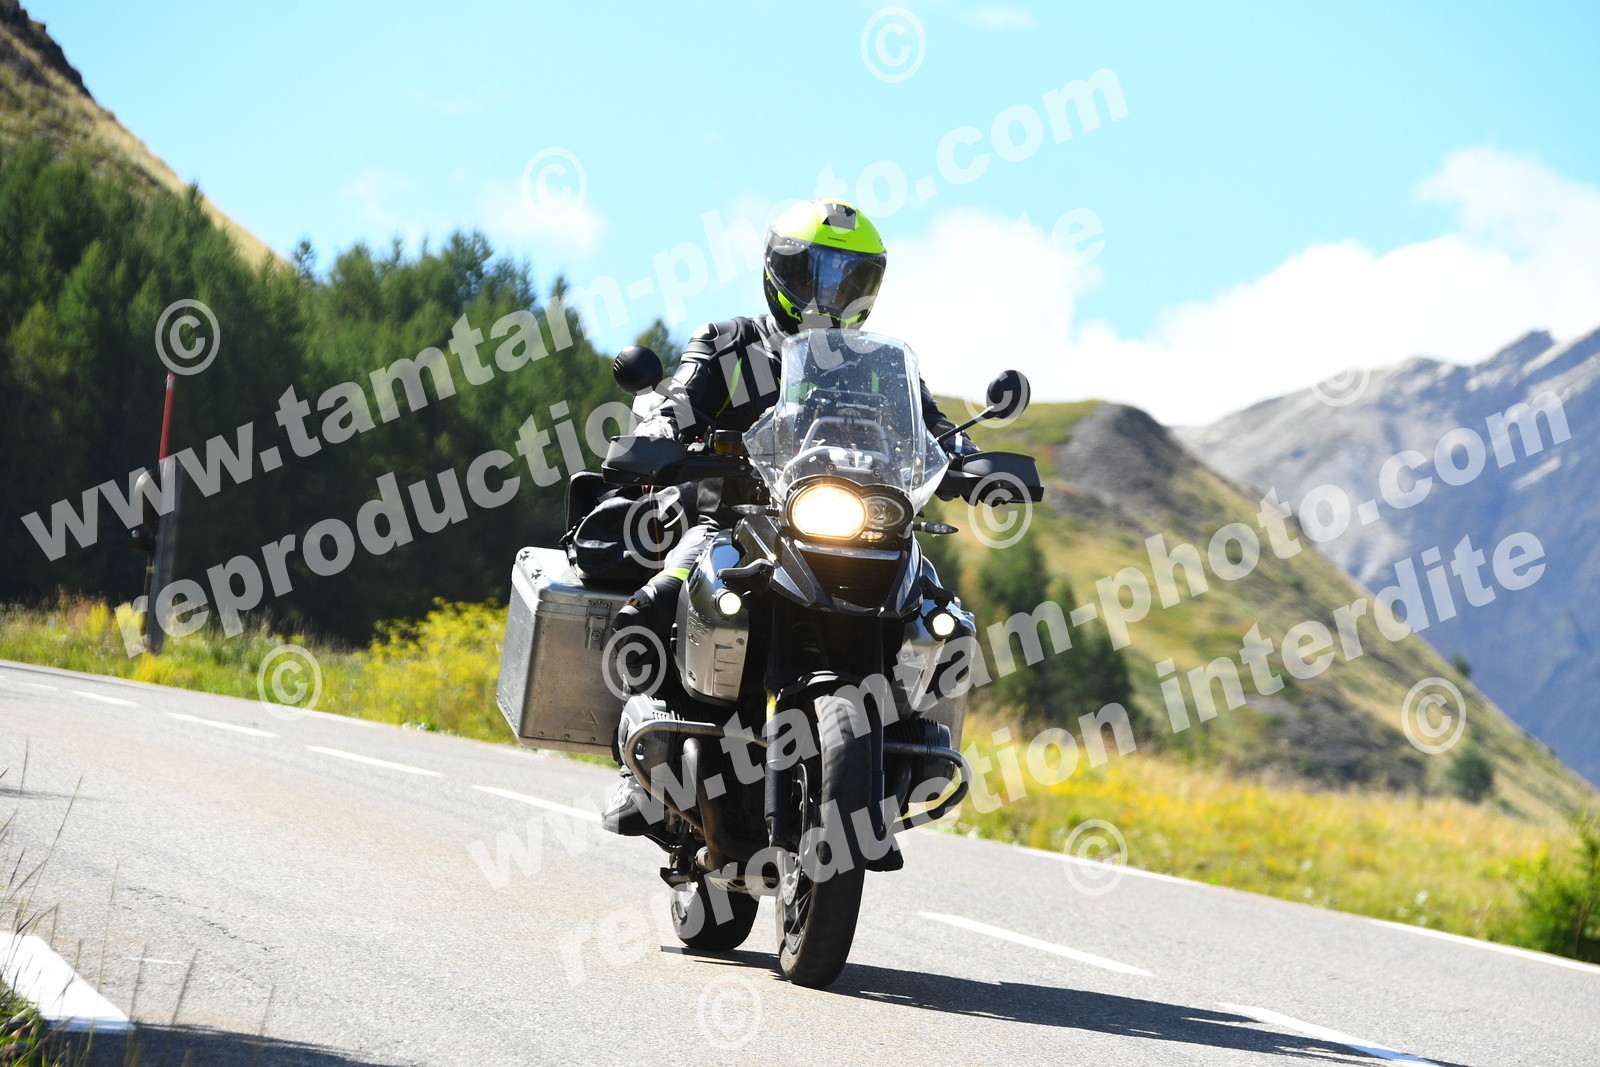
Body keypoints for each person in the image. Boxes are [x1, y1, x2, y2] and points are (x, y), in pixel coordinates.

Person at [601, 198, 973, 836]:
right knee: (659, 596)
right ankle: (639, 766)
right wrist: (663, 429)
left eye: (848, 279)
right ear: (779, 271)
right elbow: (682, 401)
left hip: (853, 526)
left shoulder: (881, 366)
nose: (829, 293)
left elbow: (934, 430)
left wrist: (973, 459)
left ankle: (907, 748)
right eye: (813, 273)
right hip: (736, 520)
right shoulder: (729, 342)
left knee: (940, 616)